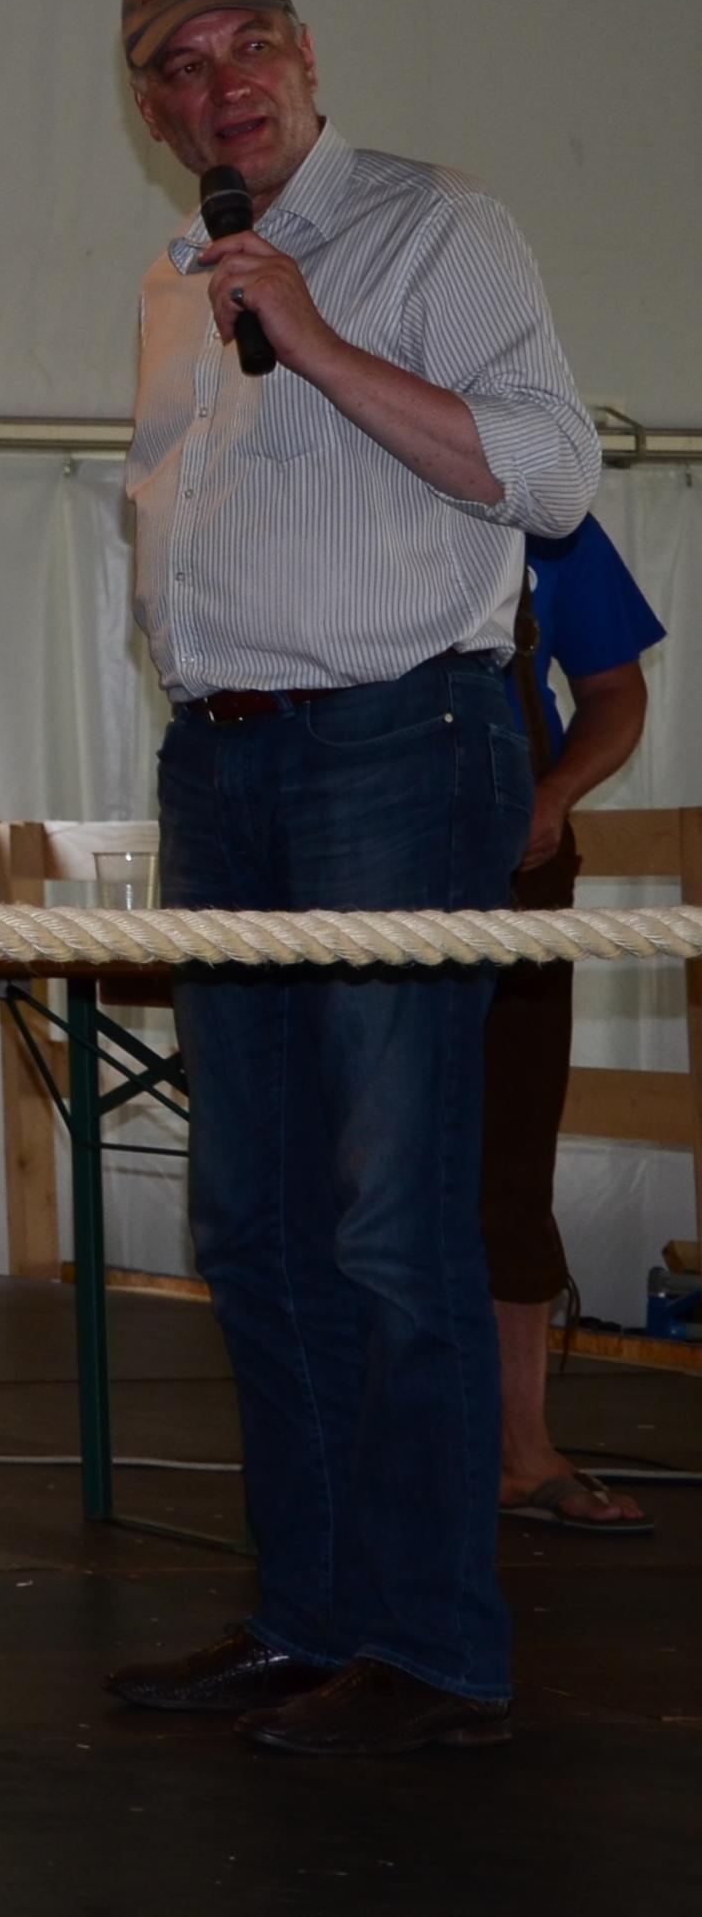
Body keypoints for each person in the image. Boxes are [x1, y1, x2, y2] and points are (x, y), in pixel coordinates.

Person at [101, 0, 596, 1754]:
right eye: (181, 65)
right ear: (152, 108)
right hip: (225, 760)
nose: (220, 84)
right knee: (249, 1219)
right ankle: (308, 1617)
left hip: (399, 741)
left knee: (392, 1216)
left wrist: (311, 335)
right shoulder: (175, 281)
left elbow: (553, 475)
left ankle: (436, 1643)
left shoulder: (436, 227)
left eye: (248, 46)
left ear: (307, 58)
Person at [481, 517, 660, 1535]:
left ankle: (519, 1450)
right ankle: (376, 1445)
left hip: (518, 866)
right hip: (356, 864)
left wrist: (553, 793)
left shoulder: (548, 521)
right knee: (354, 1164)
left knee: (510, 1157)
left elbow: (614, 688)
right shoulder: (337, 492)